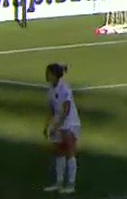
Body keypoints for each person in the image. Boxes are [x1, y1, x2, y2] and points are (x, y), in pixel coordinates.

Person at [43, 63, 80, 195]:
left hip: (70, 123)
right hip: (59, 123)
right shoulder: (51, 90)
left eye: (48, 72)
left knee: (69, 152)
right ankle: (58, 183)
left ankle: (71, 184)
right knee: (59, 153)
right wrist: (48, 125)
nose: (46, 75)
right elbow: (52, 111)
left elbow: (66, 110)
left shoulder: (64, 88)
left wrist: (57, 127)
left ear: (54, 74)